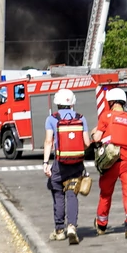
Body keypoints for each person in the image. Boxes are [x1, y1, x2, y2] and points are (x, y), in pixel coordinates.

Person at [92, 87, 127, 239]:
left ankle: (101, 225)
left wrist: (92, 133)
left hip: (111, 162)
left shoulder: (106, 116)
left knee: (105, 194)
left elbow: (96, 138)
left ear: (111, 102)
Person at [43, 89, 88, 244]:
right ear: (72, 103)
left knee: (58, 193)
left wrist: (45, 163)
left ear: (57, 103)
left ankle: (59, 230)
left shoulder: (51, 119)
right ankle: (72, 227)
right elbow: (87, 143)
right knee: (72, 193)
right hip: (77, 164)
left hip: (59, 163)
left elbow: (49, 142)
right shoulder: (81, 118)